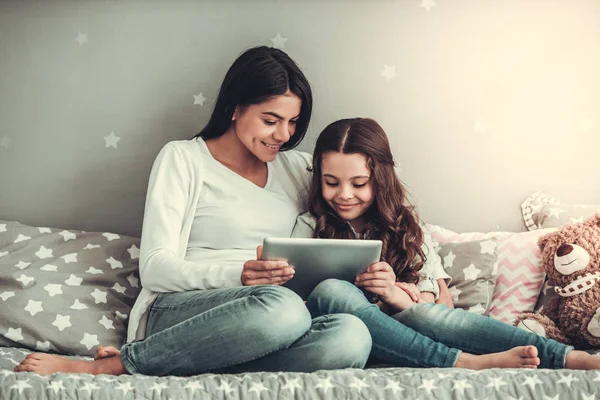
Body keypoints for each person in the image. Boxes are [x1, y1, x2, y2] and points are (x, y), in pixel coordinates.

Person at [14, 46, 371, 376]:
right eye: (270, 120)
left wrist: (422, 282)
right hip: (184, 308)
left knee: (351, 336)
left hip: (267, 319)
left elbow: (369, 192)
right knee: (283, 308)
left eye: (292, 122)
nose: (283, 134)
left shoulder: (295, 168)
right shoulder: (183, 159)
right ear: (235, 108)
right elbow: (155, 268)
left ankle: (194, 361)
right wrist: (240, 275)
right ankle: (120, 364)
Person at [293, 117, 600, 370]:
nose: (344, 194)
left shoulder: (408, 229)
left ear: (380, 179)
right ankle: (463, 362)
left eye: (358, 183)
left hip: (411, 338)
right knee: (333, 290)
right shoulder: (308, 226)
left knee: (419, 313)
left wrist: (390, 294)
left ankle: (567, 356)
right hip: (346, 340)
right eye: (331, 182)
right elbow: (296, 307)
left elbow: (438, 308)